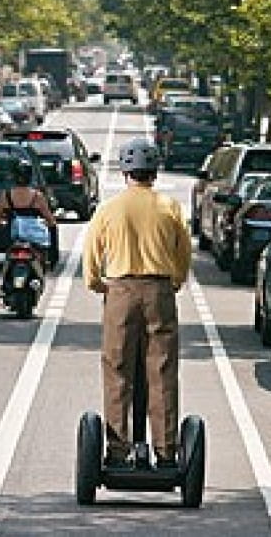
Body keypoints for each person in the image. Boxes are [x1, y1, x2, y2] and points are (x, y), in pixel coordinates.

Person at [83, 137, 192, 468]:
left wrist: (98, 285)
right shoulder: (169, 207)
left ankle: (117, 451)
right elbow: (183, 252)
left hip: (120, 291)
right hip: (159, 290)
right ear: (154, 173)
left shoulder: (109, 209)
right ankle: (166, 452)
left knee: (118, 370)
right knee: (161, 371)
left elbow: (91, 258)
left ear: (124, 172)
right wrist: (174, 281)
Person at [0, 158, 58, 289]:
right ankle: (51, 261)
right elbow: (50, 220)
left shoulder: (6, 195)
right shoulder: (37, 196)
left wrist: (0, 223)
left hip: (14, 238)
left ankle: (4, 285)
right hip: (35, 240)